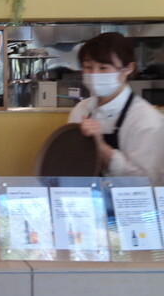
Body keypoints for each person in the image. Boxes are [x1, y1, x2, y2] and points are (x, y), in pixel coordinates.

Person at [68, 32, 164, 184]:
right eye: (88, 67)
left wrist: (100, 146)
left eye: (103, 68)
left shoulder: (147, 119)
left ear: (128, 68)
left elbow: (148, 182)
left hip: (128, 198)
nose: (94, 74)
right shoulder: (81, 109)